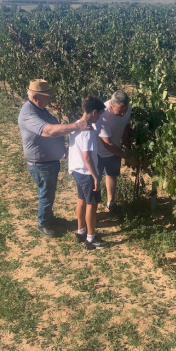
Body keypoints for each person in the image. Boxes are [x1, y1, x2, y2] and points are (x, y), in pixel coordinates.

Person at [18, 79, 91, 237]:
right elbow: (50, 131)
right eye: (46, 96)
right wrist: (78, 125)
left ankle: (49, 217)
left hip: (49, 162)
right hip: (41, 164)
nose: (48, 99)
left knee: (49, 192)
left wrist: (60, 148)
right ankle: (43, 223)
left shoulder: (39, 108)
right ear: (35, 96)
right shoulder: (28, 114)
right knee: (46, 193)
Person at [69, 96, 108, 250]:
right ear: (93, 112)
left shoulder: (76, 126)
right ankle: (91, 239)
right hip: (86, 172)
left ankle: (81, 231)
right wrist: (95, 176)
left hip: (76, 170)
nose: (99, 118)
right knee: (92, 204)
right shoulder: (88, 131)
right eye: (99, 115)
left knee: (81, 200)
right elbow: (87, 156)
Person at [95, 90, 139, 213]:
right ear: (111, 105)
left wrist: (126, 143)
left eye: (124, 111)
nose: (122, 114)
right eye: (119, 111)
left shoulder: (126, 108)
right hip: (98, 152)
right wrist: (127, 156)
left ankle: (110, 203)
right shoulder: (102, 116)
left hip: (115, 148)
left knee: (112, 175)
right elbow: (107, 144)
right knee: (95, 179)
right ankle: (92, 205)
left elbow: (125, 125)